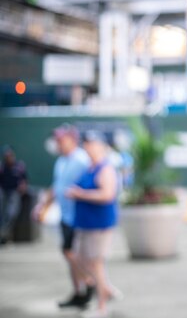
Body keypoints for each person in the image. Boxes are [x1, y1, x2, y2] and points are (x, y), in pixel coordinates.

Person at [33, 124, 94, 308]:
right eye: (57, 140)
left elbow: (94, 184)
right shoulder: (61, 161)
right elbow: (57, 187)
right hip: (66, 216)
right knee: (68, 252)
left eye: (62, 139)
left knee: (73, 253)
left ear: (72, 140)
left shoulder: (82, 160)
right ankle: (79, 292)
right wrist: (42, 205)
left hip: (80, 216)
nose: (58, 143)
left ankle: (90, 283)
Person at [66, 130, 121, 318]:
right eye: (86, 144)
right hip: (84, 223)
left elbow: (107, 195)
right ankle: (106, 289)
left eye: (92, 143)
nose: (88, 147)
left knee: (95, 263)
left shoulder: (105, 168)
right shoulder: (89, 167)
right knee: (79, 259)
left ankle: (102, 307)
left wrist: (79, 194)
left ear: (102, 146)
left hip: (99, 225)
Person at [0, 145, 28, 244]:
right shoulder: (2, 167)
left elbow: (24, 180)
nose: (9, 158)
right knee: (3, 214)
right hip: (3, 192)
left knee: (12, 213)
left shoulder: (19, 166)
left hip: (14, 193)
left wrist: (23, 186)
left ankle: (4, 235)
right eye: (7, 156)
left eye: (10, 155)